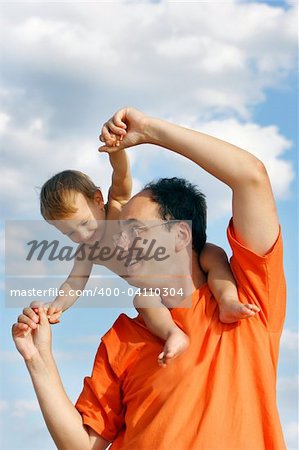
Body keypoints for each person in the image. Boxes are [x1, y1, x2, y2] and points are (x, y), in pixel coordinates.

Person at [12, 107, 286, 449]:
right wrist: (38, 359)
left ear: (180, 235)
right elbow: (81, 446)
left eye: (136, 230)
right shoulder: (122, 339)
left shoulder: (250, 303)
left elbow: (250, 175)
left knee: (213, 257)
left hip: (225, 297)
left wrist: (147, 133)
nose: (121, 242)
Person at [38, 134, 259, 366]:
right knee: (143, 299)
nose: (82, 236)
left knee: (212, 253)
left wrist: (116, 150)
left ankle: (228, 301)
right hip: (154, 288)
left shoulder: (116, 208)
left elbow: (121, 176)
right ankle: (172, 333)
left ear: (97, 199)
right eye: (70, 234)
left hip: (176, 269)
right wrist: (58, 305)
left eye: (83, 224)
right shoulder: (86, 251)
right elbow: (74, 283)